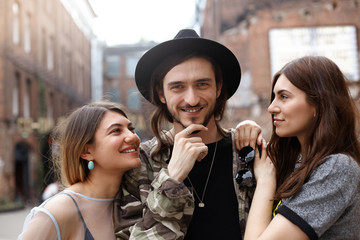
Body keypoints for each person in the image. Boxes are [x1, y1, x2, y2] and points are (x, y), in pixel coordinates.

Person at [114, 29, 263, 239]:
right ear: (161, 93)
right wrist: (172, 179)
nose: (192, 99)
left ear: (219, 87)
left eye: (202, 84)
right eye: (177, 87)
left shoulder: (247, 152)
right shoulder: (141, 163)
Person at [244, 56, 360, 240]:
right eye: (273, 97)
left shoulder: (337, 168)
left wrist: (266, 180)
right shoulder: (297, 165)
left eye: (284, 97)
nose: (271, 107)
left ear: (318, 104)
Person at [18, 101, 142, 240]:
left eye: (131, 128)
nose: (133, 136)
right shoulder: (58, 212)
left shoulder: (139, 201)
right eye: (116, 131)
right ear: (86, 151)